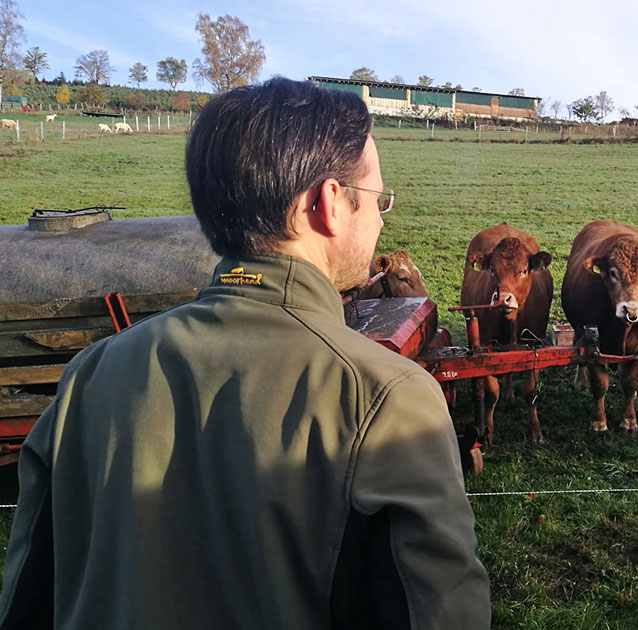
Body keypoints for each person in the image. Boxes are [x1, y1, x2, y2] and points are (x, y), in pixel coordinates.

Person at [0, 78, 489, 629]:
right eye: (379, 199)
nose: (380, 218)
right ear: (329, 203)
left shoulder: (88, 376)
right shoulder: (385, 397)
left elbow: (26, 599)